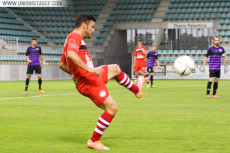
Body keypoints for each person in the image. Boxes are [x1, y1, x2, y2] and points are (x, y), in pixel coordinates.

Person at [59, 13, 144, 150]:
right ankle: (94, 141)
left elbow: (62, 65)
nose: (93, 30)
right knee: (112, 108)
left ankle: (137, 90)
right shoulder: (75, 37)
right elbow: (71, 55)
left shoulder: (70, 39)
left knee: (116, 68)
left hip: (90, 76)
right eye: (92, 27)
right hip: (88, 81)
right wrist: (88, 70)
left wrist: (80, 73)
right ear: (84, 25)